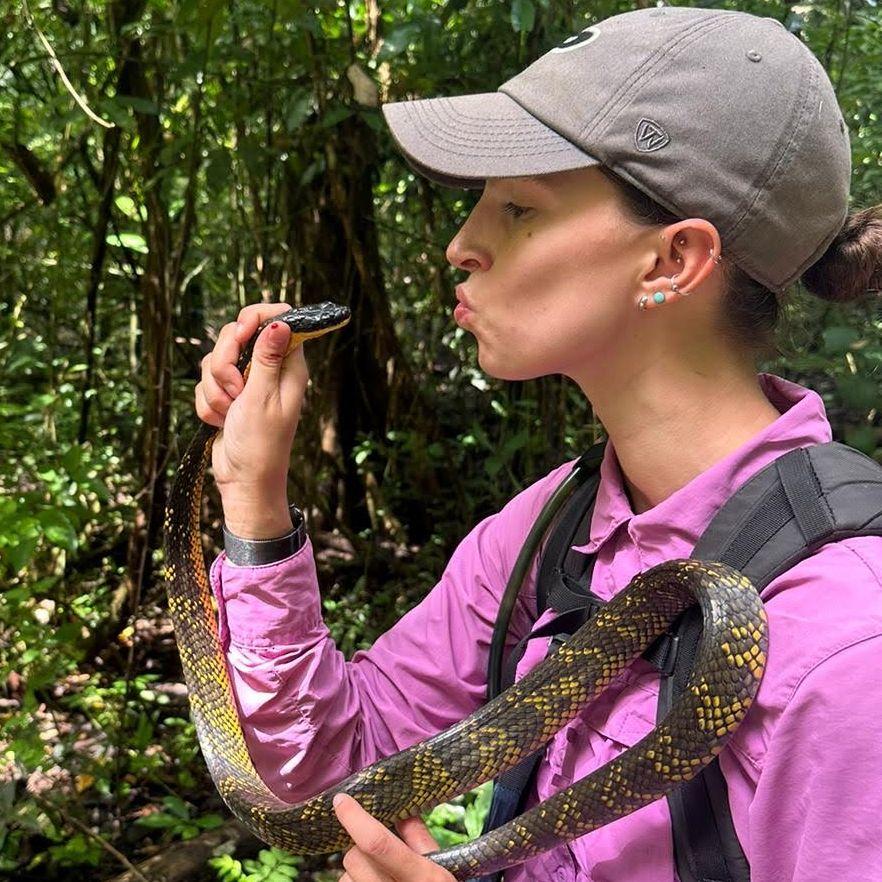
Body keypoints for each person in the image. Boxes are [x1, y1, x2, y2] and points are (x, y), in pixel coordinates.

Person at [194, 7, 882, 881]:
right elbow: (332, 776)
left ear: (672, 261)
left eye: (519, 207)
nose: (461, 245)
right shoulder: (555, 527)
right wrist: (254, 498)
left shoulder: (848, 648)